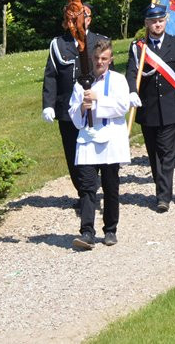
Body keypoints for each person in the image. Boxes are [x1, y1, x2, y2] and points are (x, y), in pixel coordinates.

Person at [126, 4, 175, 213]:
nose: (157, 24)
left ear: (166, 21)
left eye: (160, 20)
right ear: (147, 24)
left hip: (172, 108)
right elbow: (132, 72)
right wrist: (132, 91)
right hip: (148, 110)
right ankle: (161, 187)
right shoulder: (139, 47)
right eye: (153, 21)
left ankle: (163, 197)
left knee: (167, 153)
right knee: (154, 153)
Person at [41, 3, 108, 207]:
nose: (74, 21)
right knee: (73, 152)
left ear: (89, 19)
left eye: (79, 17)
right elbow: (51, 76)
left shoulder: (100, 41)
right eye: (70, 18)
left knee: (96, 149)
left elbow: (109, 76)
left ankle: (92, 190)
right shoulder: (58, 44)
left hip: (95, 108)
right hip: (67, 110)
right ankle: (84, 194)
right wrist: (48, 104)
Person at [68, 39, 129, 250]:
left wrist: (97, 99)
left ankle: (110, 229)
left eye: (104, 58)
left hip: (111, 139)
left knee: (111, 186)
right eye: (96, 58)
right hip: (88, 140)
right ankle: (87, 231)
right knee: (87, 187)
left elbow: (122, 107)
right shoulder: (81, 83)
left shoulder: (119, 81)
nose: (99, 62)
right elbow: (73, 115)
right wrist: (83, 108)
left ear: (110, 60)